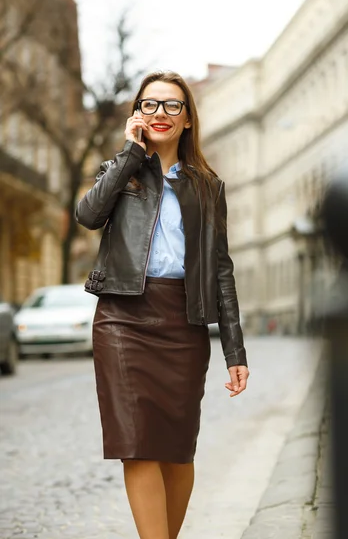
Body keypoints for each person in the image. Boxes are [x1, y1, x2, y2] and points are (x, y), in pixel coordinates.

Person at [76, 70, 249, 539]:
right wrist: (131, 154)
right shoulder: (122, 170)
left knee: (176, 450)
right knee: (137, 445)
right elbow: (88, 215)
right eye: (149, 105)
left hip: (182, 323)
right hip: (122, 319)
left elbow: (221, 269)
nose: (160, 114)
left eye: (172, 106)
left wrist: (235, 351)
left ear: (188, 119)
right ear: (137, 113)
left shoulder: (207, 186)